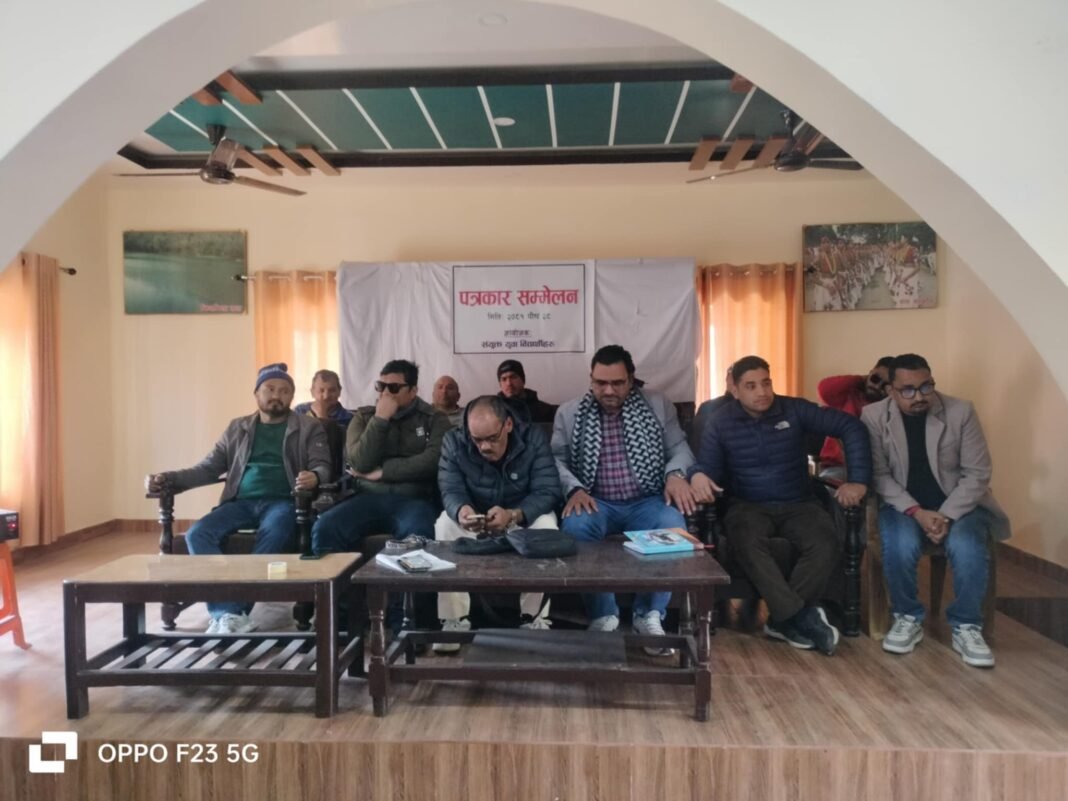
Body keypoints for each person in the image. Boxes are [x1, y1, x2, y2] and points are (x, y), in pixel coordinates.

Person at [689, 355, 870, 656]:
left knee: (826, 541)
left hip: (798, 502)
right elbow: (707, 467)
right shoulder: (720, 421)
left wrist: (859, 480)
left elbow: (851, 426)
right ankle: (800, 616)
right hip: (747, 505)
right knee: (746, 542)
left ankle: (782, 619)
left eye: (766, 383)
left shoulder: (794, 409)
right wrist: (697, 475)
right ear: (734, 390)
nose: (762, 392)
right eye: (751, 386)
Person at [145, 363, 331, 634]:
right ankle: (229, 613)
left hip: (284, 501)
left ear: (292, 396)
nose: (276, 395)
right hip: (239, 502)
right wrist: (169, 478)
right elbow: (208, 468)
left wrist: (314, 476)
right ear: (256, 393)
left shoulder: (308, 427)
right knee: (198, 533)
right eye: (270, 389)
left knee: (276, 532)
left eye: (284, 391)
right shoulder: (238, 428)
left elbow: (323, 465)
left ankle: (230, 613)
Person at [862, 354, 1010, 668]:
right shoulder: (873, 416)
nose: (919, 396)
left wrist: (946, 514)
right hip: (904, 506)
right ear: (890, 391)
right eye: (908, 390)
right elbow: (879, 476)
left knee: (967, 545)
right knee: (900, 544)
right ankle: (907, 617)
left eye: (926, 386)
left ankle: (967, 625)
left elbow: (977, 473)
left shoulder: (961, 411)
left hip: (959, 505)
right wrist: (917, 512)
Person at [553, 345, 700, 655]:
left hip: (647, 501)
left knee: (672, 525)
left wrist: (675, 474)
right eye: (600, 382)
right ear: (591, 379)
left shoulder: (658, 405)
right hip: (596, 502)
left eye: (617, 383)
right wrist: (574, 489)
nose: (608, 390)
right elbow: (556, 461)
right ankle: (603, 616)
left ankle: (649, 615)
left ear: (631, 380)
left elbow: (680, 449)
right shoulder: (569, 412)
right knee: (575, 527)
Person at [432, 395, 564, 652]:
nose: (484, 447)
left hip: (521, 513)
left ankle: (534, 618)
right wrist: (461, 511)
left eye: (492, 438)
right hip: (476, 517)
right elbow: (450, 489)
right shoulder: (454, 440)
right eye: (477, 439)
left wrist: (514, 515)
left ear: (508, 425)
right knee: (444, 523)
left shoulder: (533, 438)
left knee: (546, 526)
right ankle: (453, 620)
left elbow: (547, 491)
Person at [816, 357, 894, 478]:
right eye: (875, 379)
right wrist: (861, 379)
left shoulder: (890, 409)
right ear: (869, 373)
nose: (877, 386)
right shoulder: (849, 395)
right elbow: (824, 389)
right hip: (838, 466)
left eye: (885, 385)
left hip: (876, 471)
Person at [496, 359, 557, 424]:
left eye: (513, 377)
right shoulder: (493, 414)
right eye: (504, 379)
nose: (509, 383)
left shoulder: (547, 412)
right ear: (500, 384)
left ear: (523, 380)